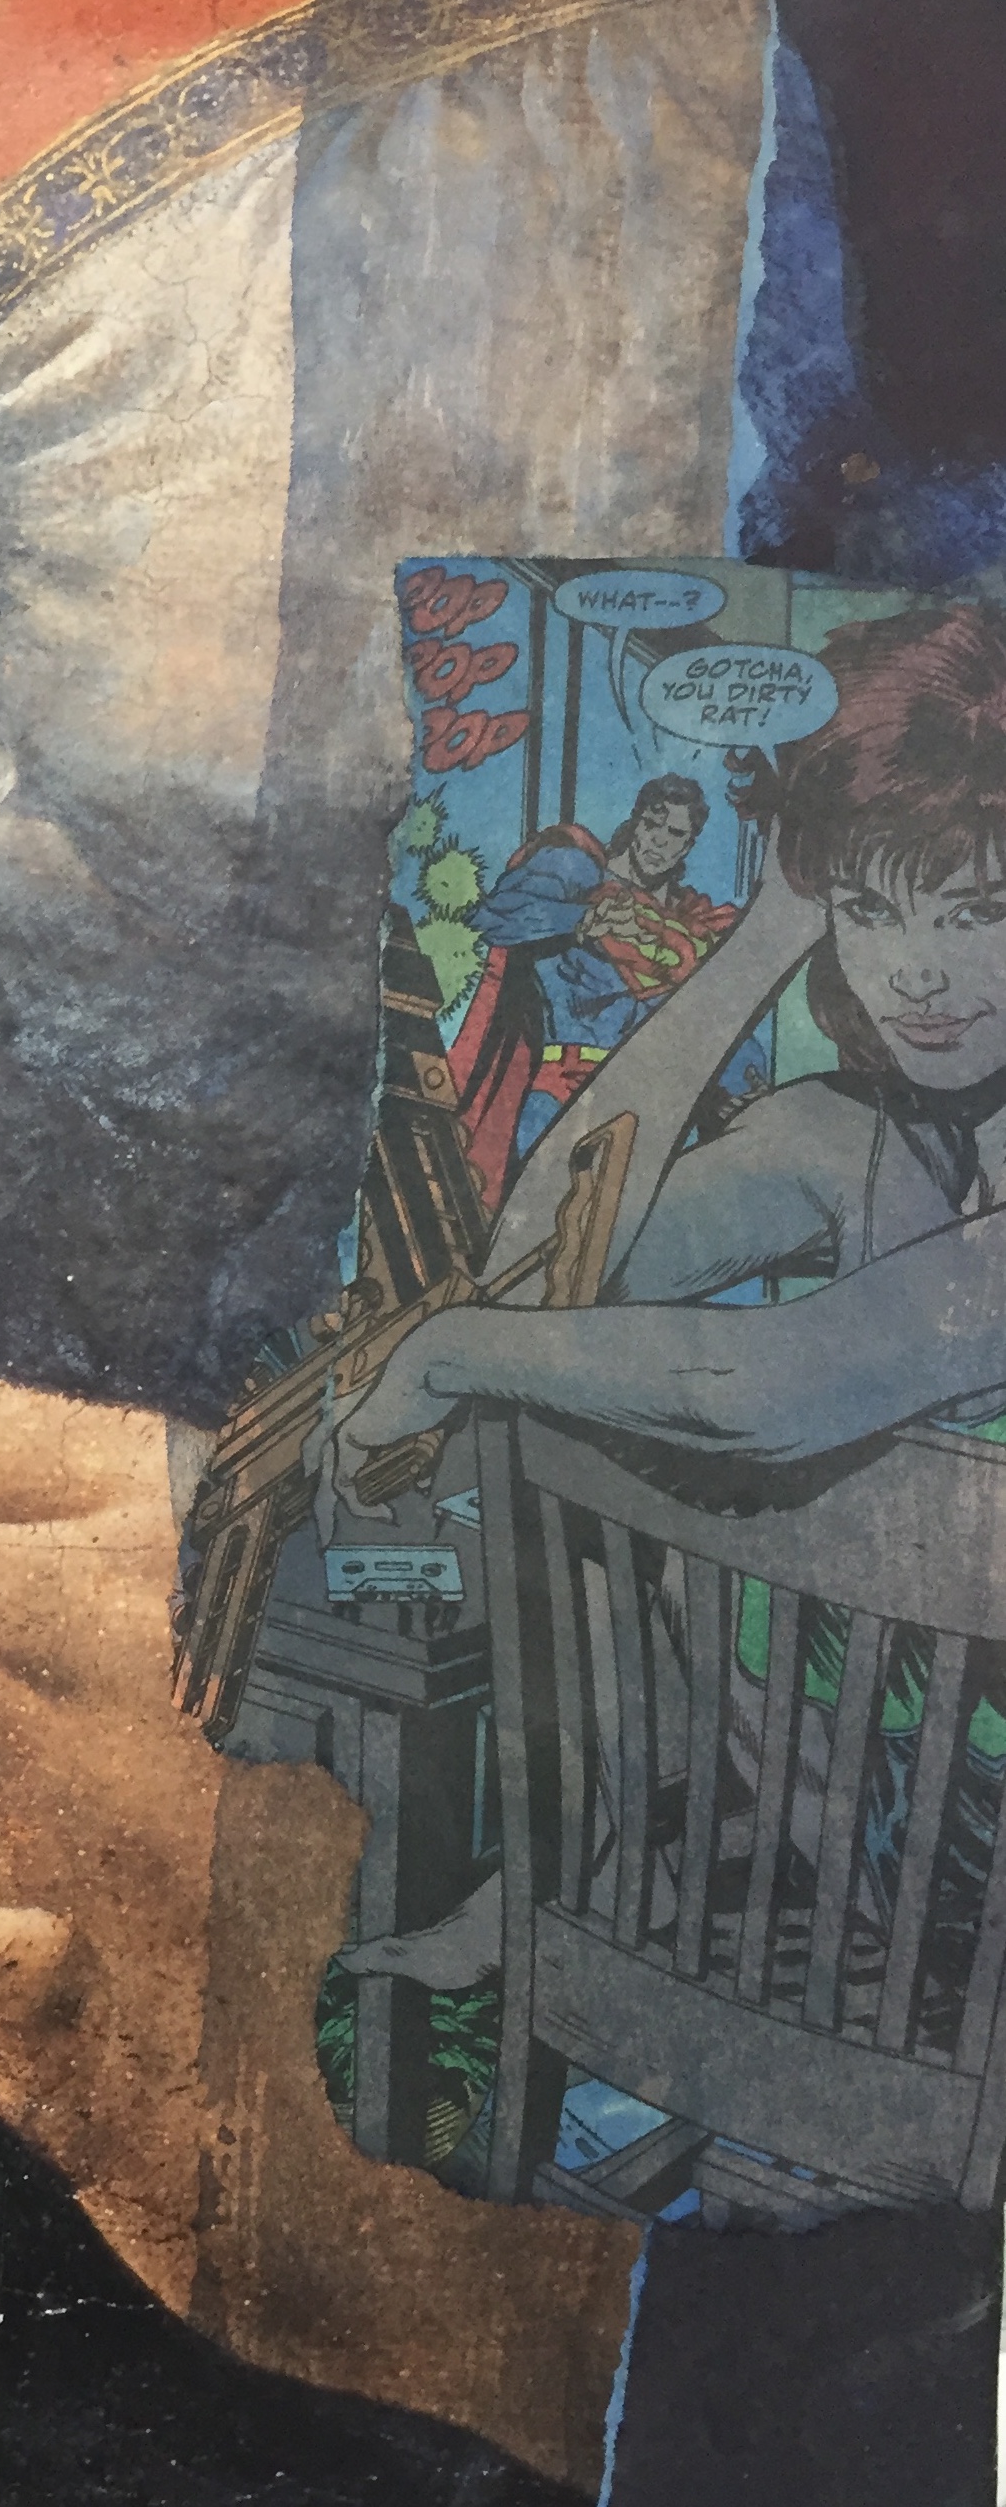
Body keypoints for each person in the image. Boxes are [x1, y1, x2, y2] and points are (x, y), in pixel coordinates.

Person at [335, 603, 1006, 2014]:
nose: (914, 971)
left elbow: (755, 1392)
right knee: (579, 1392)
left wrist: (444, 1354)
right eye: (871, 907)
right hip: (864, 1817)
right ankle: (587, 1877)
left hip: (968, 1876)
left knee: (614, 1413)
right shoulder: (867, 1137)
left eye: (974, 912)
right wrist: (758, 942)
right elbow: (543, 1265)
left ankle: (590, 1889)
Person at [452, 770, 742, 1206]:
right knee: (536, 1216)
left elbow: (718, 1018)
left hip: (648, 1109)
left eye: (675, 834)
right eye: (653, 823)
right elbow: (496, 916)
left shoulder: (692, 928)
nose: (659, 841)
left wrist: (737, 1089)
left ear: (688, 845)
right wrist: (583, 921)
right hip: (563, 1094)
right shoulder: (577, 869)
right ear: (636, 821)